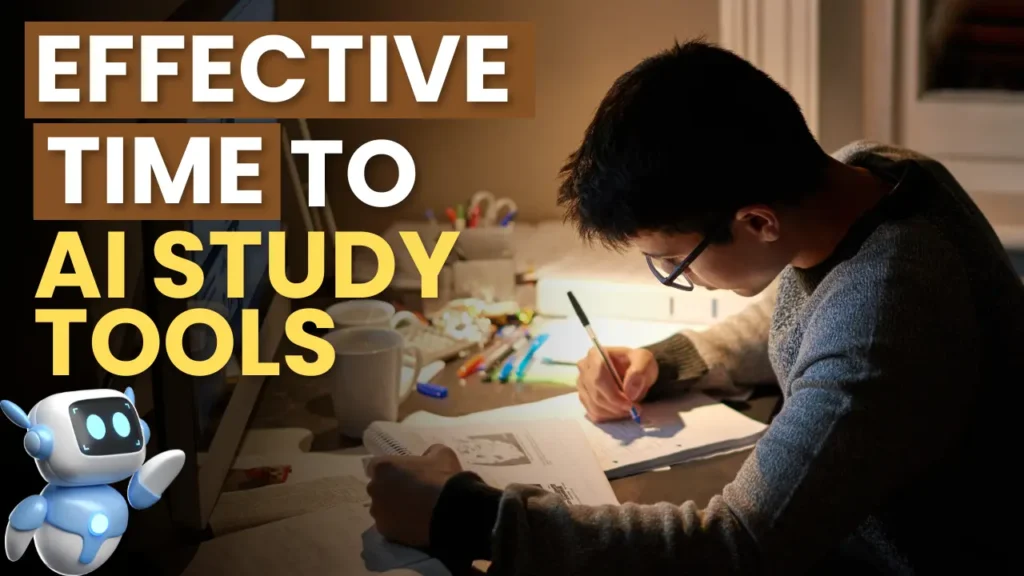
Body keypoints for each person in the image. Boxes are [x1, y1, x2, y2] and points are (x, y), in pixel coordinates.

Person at [364, 39, 1024, 575]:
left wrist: (465, 516)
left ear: (757, 222)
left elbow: (737, 544)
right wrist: (673, 359)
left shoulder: (883, 322)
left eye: (673, 262)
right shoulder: (869, 174)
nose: (673, 279)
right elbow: (812, 304)